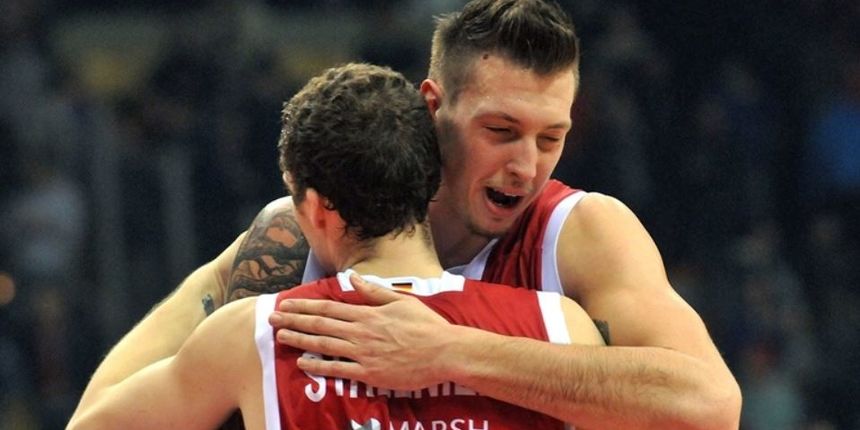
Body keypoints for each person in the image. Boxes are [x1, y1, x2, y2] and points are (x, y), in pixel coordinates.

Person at [83, 1, 742, 429]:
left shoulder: (579, 231)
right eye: (502, 129)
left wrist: (451, 351)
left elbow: (710, 404)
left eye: (551, 137)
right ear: (434, 105)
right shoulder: (293, 233)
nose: (527, 166)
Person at [68, 63, 605, 429]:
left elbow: (92, 422)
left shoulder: (258, 334)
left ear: (316, 209)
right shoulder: (560, 327)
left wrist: (211, 278)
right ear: (429, 181)